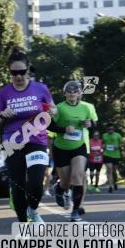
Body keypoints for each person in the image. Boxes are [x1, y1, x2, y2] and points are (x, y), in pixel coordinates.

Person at [0, 50, 56, 223]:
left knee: (35, 182)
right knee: (18, 185)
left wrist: (51, 112)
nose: (18, 76)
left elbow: (53, 109)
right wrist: (3, 115)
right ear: (9, 72)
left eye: (22, 72)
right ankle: (23, 223)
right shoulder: (4, 93)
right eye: (14, 73)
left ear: (28, 70)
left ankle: (33, 210)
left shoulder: (41, 88)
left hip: (37, 140)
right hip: (12, 142)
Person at [49, 80, 97, 221]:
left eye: (75, 91)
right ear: (64, 93)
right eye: (69, 91)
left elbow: (94, 125)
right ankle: (60, 188)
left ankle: (75, 211)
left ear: (80, 93)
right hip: (61, 148)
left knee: (78, 177)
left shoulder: (87, 108)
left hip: (79, 146)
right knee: (66, 182)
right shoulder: (59, 108)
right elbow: (50, 126)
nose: (72, 94)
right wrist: (64, 129)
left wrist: (90, 124)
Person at [101, 124, 123, 193]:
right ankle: (110, 186)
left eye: (112, 129)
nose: (110, 130)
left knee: (114, 171)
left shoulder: (118, 135)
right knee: (109, 169)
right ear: (107, 129)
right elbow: (102, 144)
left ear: (114, 129)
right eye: (109, 129)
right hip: (107, 154)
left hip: (116, 155)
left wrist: (118, 147)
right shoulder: (104, 135)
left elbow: (121, 144)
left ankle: (115, 182)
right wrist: (103, 146)